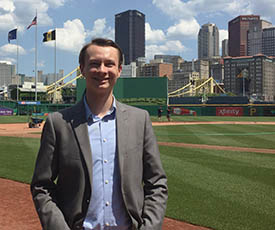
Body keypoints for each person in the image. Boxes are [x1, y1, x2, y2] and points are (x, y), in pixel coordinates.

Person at [31, 38, 168, 230]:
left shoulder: (140, 120)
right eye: (94, 64)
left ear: (119, 70)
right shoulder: (58, 123)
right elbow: (42, 186)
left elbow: (157, 183)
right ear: (82, 69)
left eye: (109, 64)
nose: (102, 70)